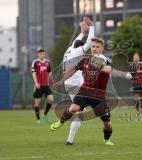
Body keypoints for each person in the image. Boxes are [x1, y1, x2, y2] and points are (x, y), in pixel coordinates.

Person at [51, 37, 116, 146]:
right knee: (73, 108)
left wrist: (99, 66)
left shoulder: (106, 59)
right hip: (85, 91)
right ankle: (60, 122)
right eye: (93, 46)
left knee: (107, 124)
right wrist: (61, 81)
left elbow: (109, 69)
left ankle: (107, 140)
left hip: (98, 96)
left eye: (97, 47)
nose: (95, 49)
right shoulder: (86, 59)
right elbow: (73, 70)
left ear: (102, 48)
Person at [62, 16, 94, 146]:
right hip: (75, 85)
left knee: (81, 109)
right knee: (81, 112)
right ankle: (69, 139)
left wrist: (82, 31)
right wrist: (92, 27)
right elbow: (88, 44)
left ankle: (69, 138)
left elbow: (79, 40)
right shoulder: (77, 52)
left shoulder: (70, 49)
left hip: (70, 84)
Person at [32, 48, 54, 124]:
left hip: (46, 85)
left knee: (51, 99)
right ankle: (38, 119)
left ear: (45, 54)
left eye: (43, 54)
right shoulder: (35, 62)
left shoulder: (47, 62)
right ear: (38, 54)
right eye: (41, 54)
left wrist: (52, 82)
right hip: (38, 85)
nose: (42, 55)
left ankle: (44, 115)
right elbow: (34, 73)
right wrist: (36, 83)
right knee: (37, 102)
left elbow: (50, 73)